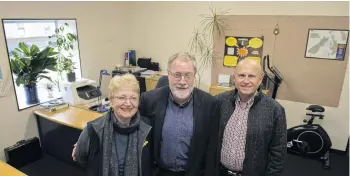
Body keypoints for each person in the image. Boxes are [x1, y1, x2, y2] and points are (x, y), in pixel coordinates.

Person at [138, 52, 220, 176]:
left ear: (194, 76)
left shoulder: (210, 104)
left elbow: (212, 148)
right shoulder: (149, 100)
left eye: (188, 75)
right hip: (159, 172)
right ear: (168, 75)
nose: (182, 81)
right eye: (177, 75)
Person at [212, 59, 287, 176]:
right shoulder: (219, 101)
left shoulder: (274, 109)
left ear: (260, 79)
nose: (246, 81)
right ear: (234, 77)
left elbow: (278, 151)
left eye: (251, 76)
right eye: (241, 75)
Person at [72, 73, 152, 176]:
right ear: (111, 100)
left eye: (133, 98)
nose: (128, 103)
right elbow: (80, 158)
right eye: (122, 98)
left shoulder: (146, 127)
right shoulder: (93, 129)